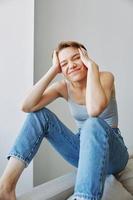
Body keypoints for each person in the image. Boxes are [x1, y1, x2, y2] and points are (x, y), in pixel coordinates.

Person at [0, 41, 129, 200]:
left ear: (85, 58)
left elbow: (94, 110)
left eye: (76, 58)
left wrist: (93, 67)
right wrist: (53, 70)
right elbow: (27, 106)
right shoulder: (63, 87)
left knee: (92, 122)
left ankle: (84, 198)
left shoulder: (105, 77)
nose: (72, 65)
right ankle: (6, 188)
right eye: (64, 63)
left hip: (114, 154)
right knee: (39, 115)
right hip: (82, 151)